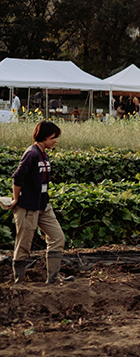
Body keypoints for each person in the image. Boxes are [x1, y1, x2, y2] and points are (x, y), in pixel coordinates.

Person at [6, 121, 70, 283]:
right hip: (27, 206)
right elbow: (18, 177)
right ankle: (18, 283)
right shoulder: (32, 153)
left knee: (57, 238)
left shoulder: (44, 153)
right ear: (45, 137)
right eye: (54, 137)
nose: (56, 141)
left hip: (43, 204)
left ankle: (52, 279)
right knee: (24, 244)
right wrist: (15, 199)